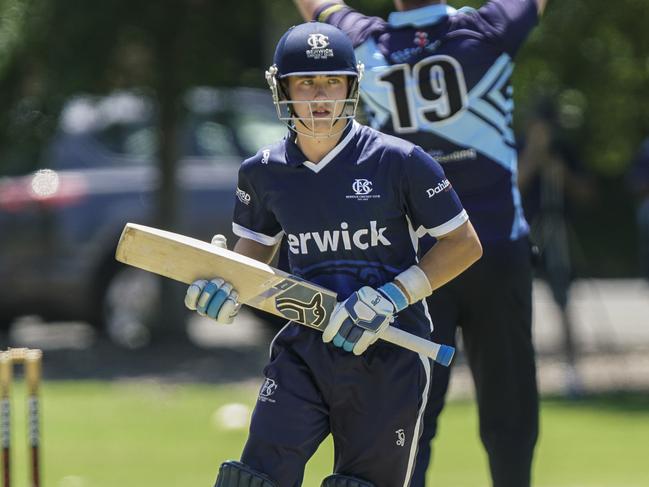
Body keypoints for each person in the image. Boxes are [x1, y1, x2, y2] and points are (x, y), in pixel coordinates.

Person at [185, 21, 482, 487]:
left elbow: (463, 244)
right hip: (305, 348)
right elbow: (252, 257)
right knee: (254, 479)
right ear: (281, 88)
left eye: (332, 82)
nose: (320, 96)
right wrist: (225, 288)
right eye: (305, 82)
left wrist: (390, 298)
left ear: (352, 86)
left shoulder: (399, 160)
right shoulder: (263, 173)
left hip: (390, 350)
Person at [292, 1, 547, 486]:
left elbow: (318, 5)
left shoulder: (367, 42)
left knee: (410, 418)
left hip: (416, 269)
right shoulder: (487, 30)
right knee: (510, 414)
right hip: (496, 251)